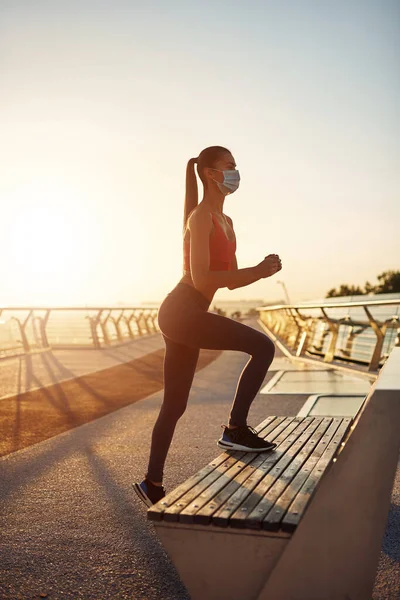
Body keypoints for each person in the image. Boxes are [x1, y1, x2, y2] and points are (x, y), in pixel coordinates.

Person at [133, 145, 282, 507]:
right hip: (181, 311)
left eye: (235, 166)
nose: (235, 173)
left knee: (175, 405)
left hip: (187, 313)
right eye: (229, 166)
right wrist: (258, 271)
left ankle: (151, 483)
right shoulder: (200, 217)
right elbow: (202, 279)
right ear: (209, 174)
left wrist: (259, 273)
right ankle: (235, 428)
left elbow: (226, 280)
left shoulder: (226, 221)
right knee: (263, 347)